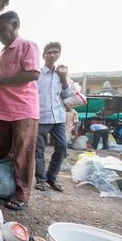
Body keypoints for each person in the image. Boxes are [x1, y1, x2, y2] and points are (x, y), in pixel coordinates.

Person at [0, 11, 41, 211]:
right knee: (1, 151)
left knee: (22, 154)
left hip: (23, 109)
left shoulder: (27, 46)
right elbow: (3, 81)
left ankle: (22, 194)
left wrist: (1, 81)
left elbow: (33, 74)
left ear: (14, 24)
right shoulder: (2, 54)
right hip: (2, 109)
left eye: (1, 30)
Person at [35, 42, 75, 193]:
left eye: (55, 52)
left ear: (59, 55)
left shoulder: (61, 74)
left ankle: (51, 177)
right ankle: (40, 180)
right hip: (41, 117)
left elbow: (68, 95)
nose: (52, 55)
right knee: (39, 151)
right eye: (49, 52)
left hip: (58, 118)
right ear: (44, 55)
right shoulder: (37, 75)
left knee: (62, 147)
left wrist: (64, 77)